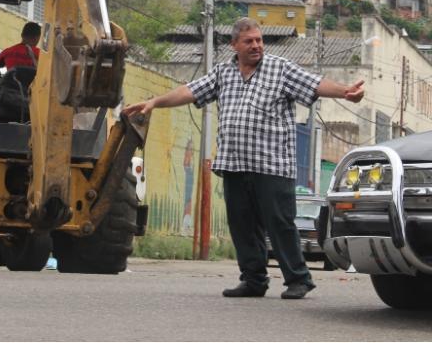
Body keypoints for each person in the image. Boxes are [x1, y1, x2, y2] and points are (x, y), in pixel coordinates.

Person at [123, 17, 364, 300]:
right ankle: (253, 280)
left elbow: (315, 84)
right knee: (242, 223)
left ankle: (298, 279)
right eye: (249, 41)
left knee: (280, 223)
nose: (256, 46)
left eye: (259, 40)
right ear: (234, 44)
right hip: (235, 164)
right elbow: (190, 91)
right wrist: (154, 102)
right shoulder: (223, 73)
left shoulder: (280, 69)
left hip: (272, 165)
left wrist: (345, 92)